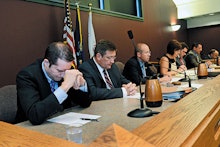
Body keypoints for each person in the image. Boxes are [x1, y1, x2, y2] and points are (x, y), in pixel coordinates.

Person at [16, 42, 92, 125]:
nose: (64, 75)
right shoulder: (27, 76)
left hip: (60, 123)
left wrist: (82, 85)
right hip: (28, 129)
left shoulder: (65, 69)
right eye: (59, 71)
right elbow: (35, 115)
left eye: (67, 70)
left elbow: (85, 103)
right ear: (46, 63)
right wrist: (65, 86)